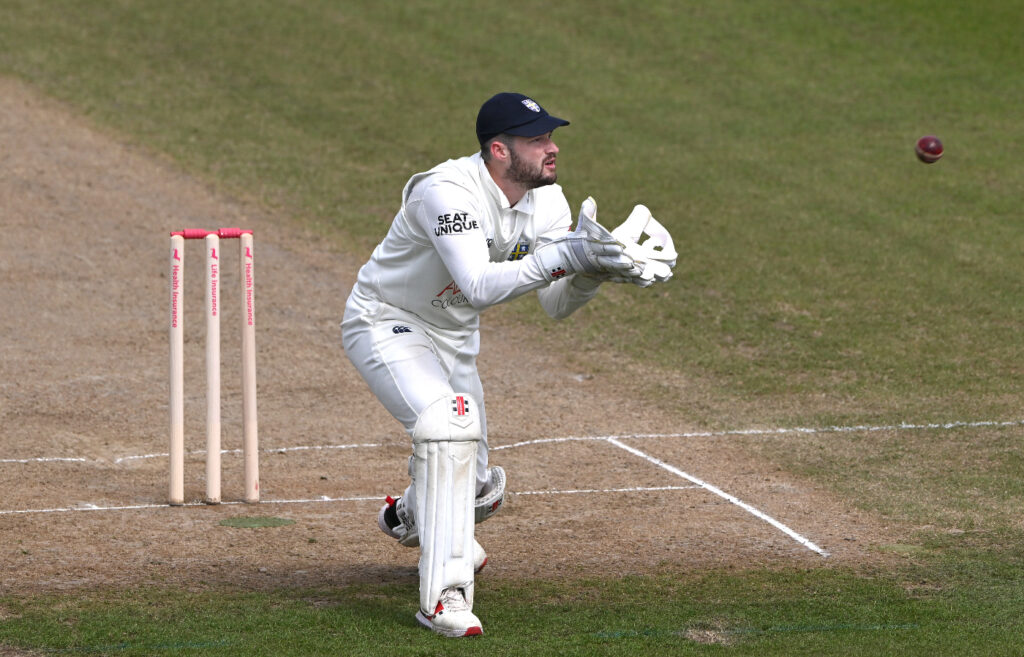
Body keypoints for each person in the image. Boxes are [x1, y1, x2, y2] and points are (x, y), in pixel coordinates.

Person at [341, 92, 671, 637]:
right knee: (449, 427)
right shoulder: (444, 193)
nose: (552, 148)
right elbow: (477, 284)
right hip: (387, 321)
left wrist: (591, 272)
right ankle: (443, 597)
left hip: (453, 337)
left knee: (478, 493)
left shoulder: (550, 203)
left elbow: (555, 304)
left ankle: (412, 515)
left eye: (550, 136)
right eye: (537, 139)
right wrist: (564, 256)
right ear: (499, 149)